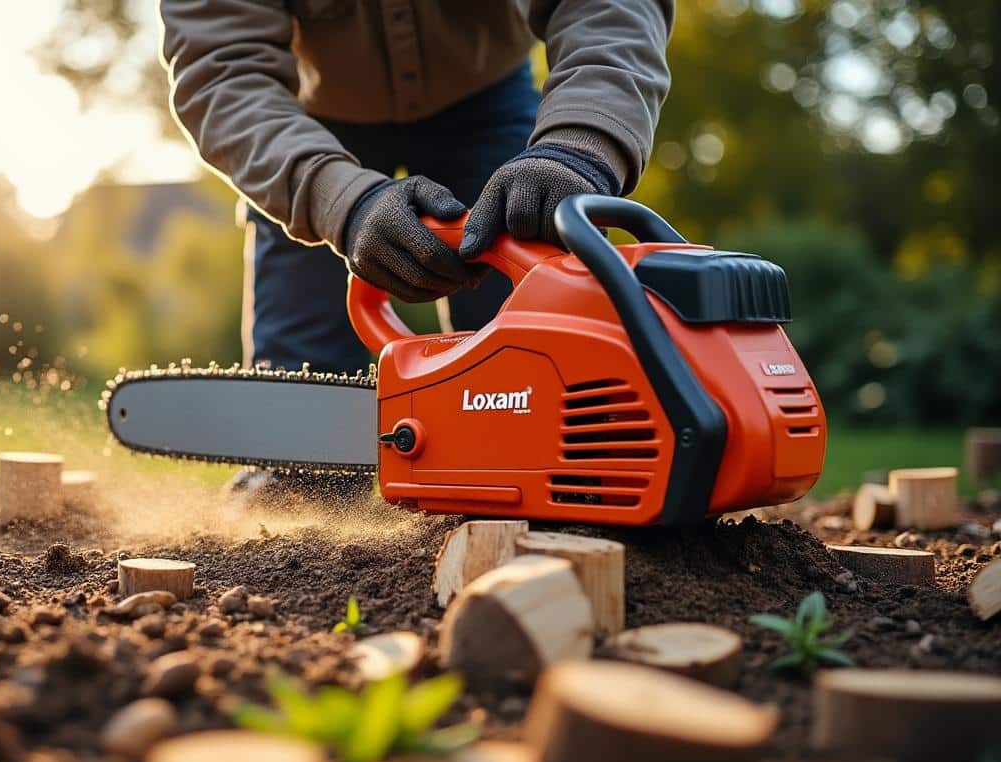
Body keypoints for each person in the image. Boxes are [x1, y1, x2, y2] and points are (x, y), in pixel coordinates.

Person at [159, 0, 672, 502]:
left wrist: (580, 143)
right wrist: (341, 200)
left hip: (489, 99)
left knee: (554, 398)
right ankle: (294, 491)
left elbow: (613, 8)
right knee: (297, 471)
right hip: (305, 130)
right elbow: (221, 69)